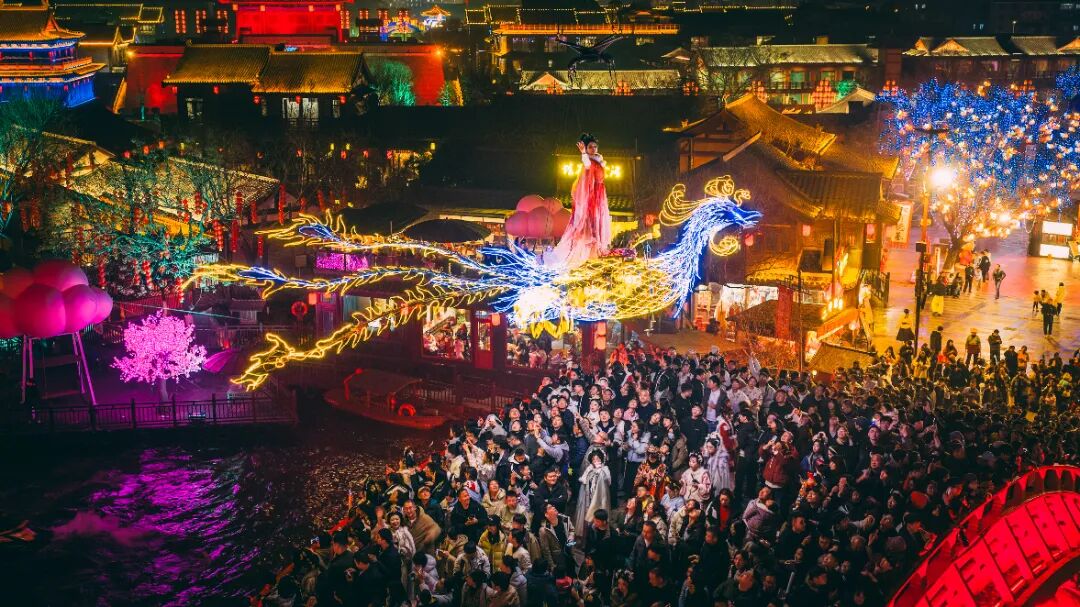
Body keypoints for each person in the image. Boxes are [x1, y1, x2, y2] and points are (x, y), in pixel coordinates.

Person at [545, 133, 612, 268]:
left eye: (595, 146)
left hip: (599, 196)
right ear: (586, 148)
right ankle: (580, 257)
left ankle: (594, 255)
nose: (593, 149)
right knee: (587, 226)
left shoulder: (599, 160)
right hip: (591, 197)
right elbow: (587, 165)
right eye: (590, 147)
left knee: (597, 224)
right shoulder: (589, 162)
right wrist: (583, 154)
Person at [574, 451, 611, 534]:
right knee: (587, 514)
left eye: (598, 459)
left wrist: (600, 470)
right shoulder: (589, 469)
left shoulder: (605, 469)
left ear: (601, 459)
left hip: (599, 497)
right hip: (588, 496)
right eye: (594, 459)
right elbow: (584, 480)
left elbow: (607, 481)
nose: (596, 461)